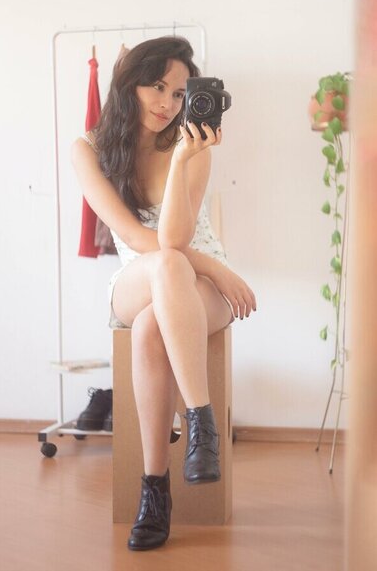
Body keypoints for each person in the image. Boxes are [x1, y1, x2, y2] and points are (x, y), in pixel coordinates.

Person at [71, 36, 256, 551]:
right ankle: (201, 421)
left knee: (155, 320)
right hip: (142, 277)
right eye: (157, 86)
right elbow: (138, 239)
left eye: (178, 94)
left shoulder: (193, 145)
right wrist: (216, 267)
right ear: (129, 84)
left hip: (196, 290)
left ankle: (154, 490)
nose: (167, 103)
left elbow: (175, 236)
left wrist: (180, 160)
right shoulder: (88, 149)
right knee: (166, 266)